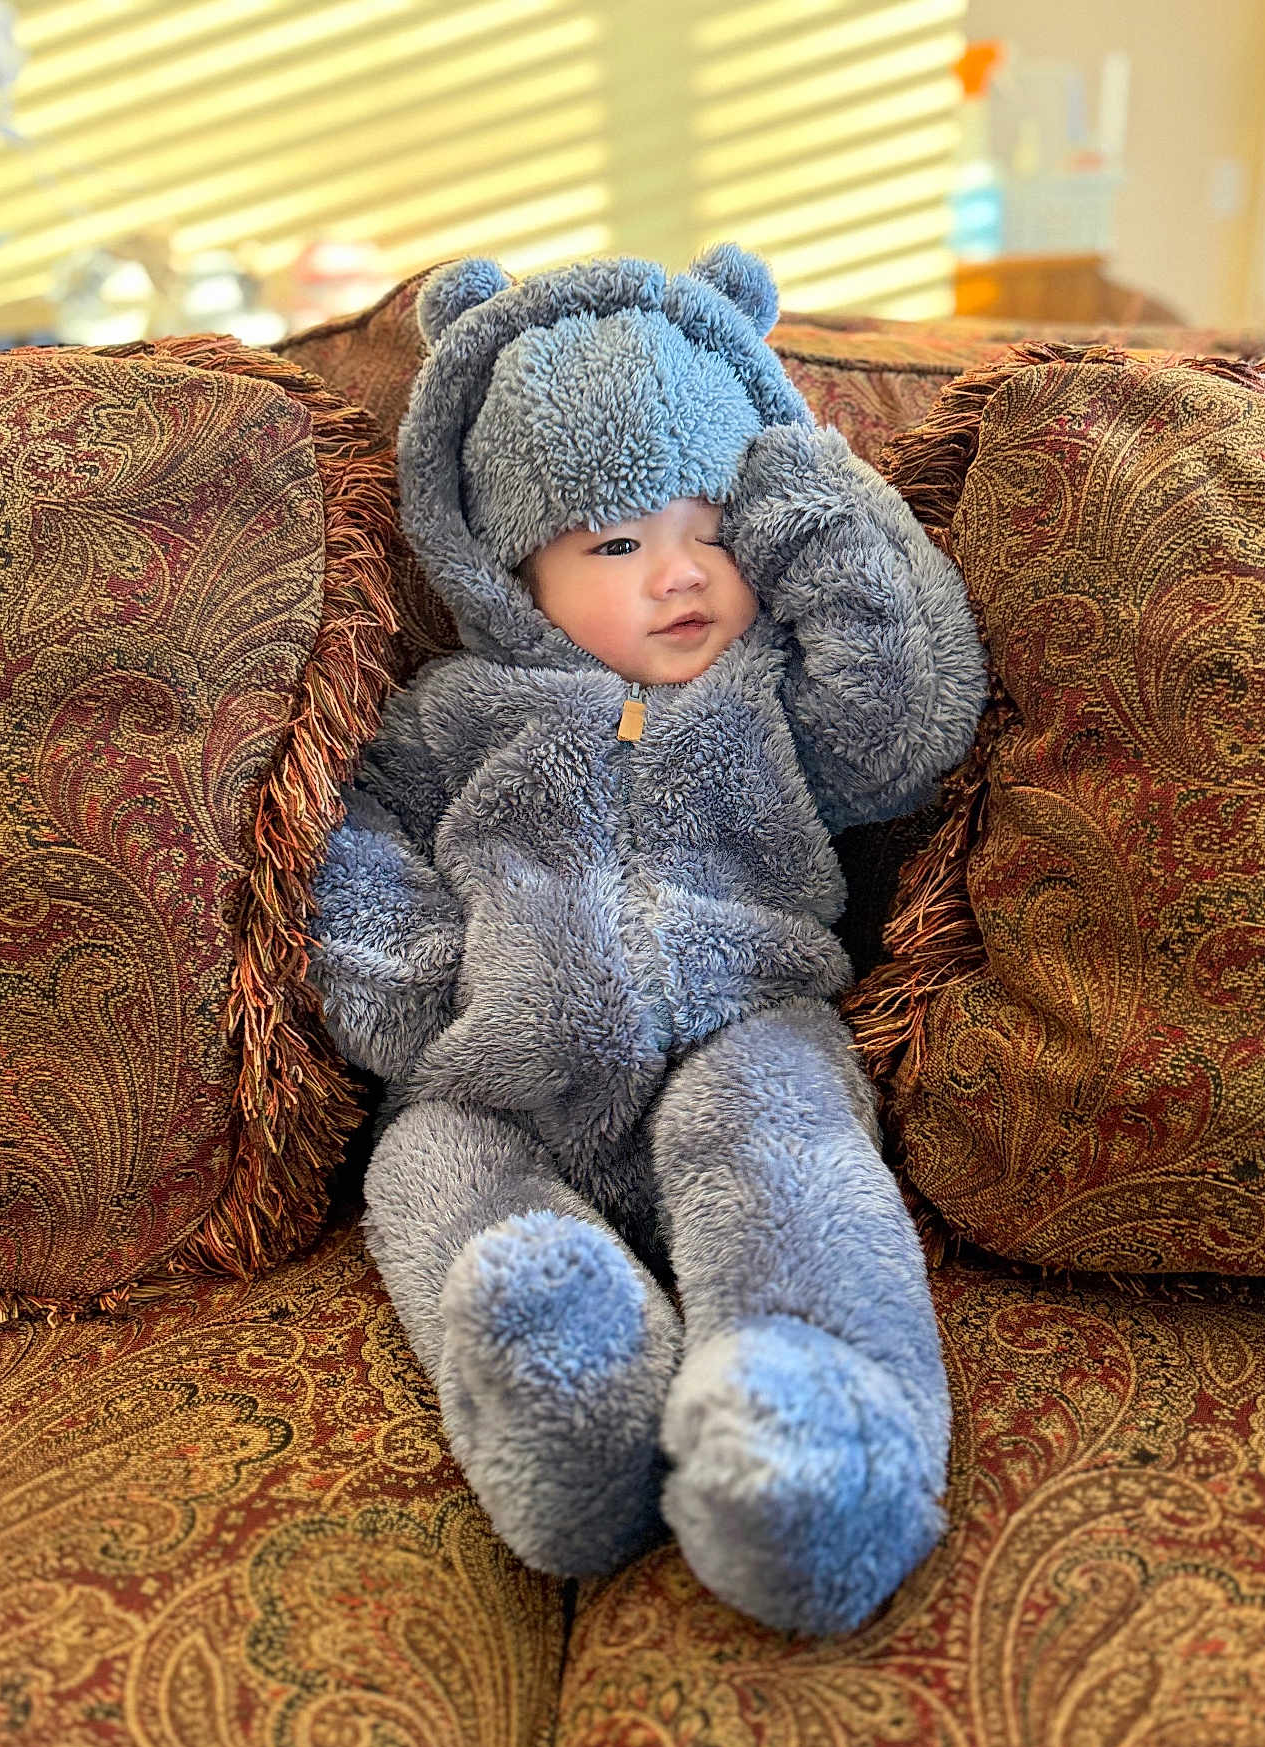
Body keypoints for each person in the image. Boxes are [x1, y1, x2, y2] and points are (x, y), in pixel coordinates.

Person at [308, 245, 989, 1634]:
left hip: (742, 1030)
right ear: (512, 572)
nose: (680, 577)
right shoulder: (456, 714)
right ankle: (571, 1411)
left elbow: (912, 712)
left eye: (713, 529)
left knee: (782, 1148)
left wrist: (812, 488)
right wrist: (431, 1000)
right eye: (616, 544)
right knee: (432, 1174)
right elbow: (351, 847)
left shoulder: (779, 698)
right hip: (497, 1073)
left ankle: (817, 1436)